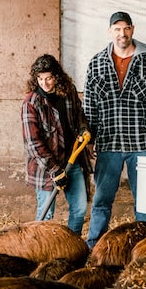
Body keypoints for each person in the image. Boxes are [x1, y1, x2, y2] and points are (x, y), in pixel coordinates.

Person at [84, 11, 146, 248]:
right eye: (116, 29)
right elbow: (90, 105)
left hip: (140, 144)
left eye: (125, 28)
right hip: (109, 143)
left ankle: (143, 248)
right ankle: (94, 247)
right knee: (102, 200)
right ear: (109, 31)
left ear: (132, 29)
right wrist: (90, 138)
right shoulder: (96, 63)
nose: (121, 34)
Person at [21, 54, 92, 235]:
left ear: (57, 77)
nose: (44, 83)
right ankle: (39, 250)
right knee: (46, 216)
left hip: (72, 160)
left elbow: (79, 116)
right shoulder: (31, 102)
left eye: (49, 78)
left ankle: (71, 245)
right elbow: (33, 143)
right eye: (40, 79)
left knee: (79, 208)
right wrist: (55, 170)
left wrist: (84, 129)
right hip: (46, 168)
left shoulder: (68, 92)